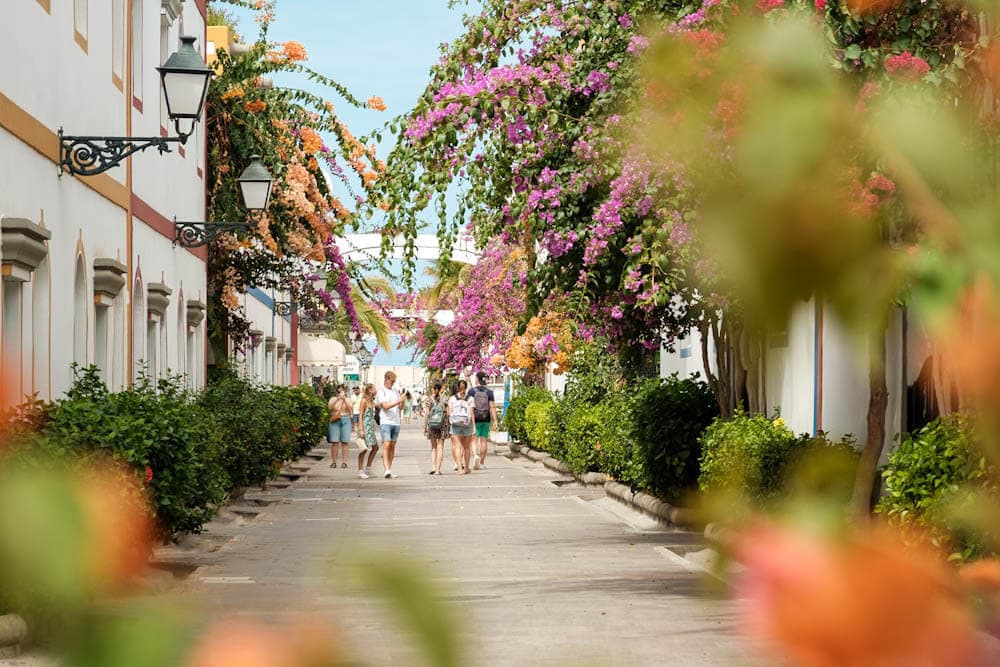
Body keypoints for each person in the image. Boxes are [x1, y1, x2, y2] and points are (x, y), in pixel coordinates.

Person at [375, 371, 405, 478]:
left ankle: (389, 469)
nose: (392, 383)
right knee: (386, 444)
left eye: (393, 381)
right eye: (391, 381)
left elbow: (400, 408)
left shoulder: (395, 391)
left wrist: (403, 401)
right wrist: (398, 401)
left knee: (392, 446)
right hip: (386, 421)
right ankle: (386, 469)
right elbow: (385, 406)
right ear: (386, 379)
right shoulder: (381, 391)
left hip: (396, 422)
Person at [468, 372, 498, 470]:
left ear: (477, 379)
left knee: (474, 440)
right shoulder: (489, 392)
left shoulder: (472, 391)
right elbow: (492, 406)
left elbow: (469, 407)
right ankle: (482, 462)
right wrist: (495, 420)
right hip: (486, 418)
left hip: (474, 418)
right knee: (484, 441)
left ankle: (475, 455)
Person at [448, 379, 476, 474]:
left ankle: (460, 469)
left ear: (457, 387)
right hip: (467, 424)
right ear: (466, 387)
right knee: (467, 447)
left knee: (457, 446)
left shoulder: (452, 398)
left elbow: (449, 412)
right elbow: (472, 413)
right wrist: (474, 426)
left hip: (455, 424)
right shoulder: (470, 399)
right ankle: (467, 468)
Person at [421, 381, 449, 475]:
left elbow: (427, 414)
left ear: (433, 389)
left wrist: (425, 427)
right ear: (441, 389)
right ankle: (438, 470)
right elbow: (448, 413)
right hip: (442, 425)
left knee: (433, 447)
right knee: (440, 447)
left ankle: (433, 467)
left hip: (432, 425)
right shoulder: (445, 399)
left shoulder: (429, 399)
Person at [357, 383, 380, 479]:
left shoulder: (372, 401)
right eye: (374, 388)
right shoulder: (364, 401)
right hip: (365, 427)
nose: (376, 389)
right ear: (370, 390)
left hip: (370, 428)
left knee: (375, 448)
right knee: (363, 449)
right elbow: (360, 415)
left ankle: (368, 469)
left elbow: (380, 406)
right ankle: (360, 471)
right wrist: (361, 429)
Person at [327, 385, 352, 469]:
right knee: (335, 442)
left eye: (341, 391)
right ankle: (334, 462)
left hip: (345, 419)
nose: (340, 393)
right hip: (335, 420)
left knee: (345, 442)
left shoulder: (348, 399)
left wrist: (344, 400)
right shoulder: (333, 399)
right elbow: (330, 408)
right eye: (338, 391)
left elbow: (350, 409)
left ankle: (344, 462)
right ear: (336, 392)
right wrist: (337, 399)